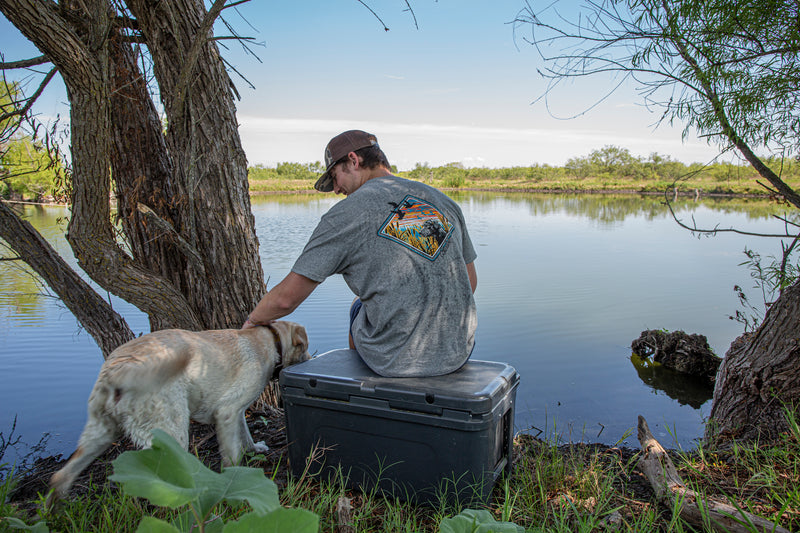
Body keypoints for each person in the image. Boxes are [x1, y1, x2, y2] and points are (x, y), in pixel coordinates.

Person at [242, 130, 477, 377]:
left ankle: (365, 391)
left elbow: (285, 300)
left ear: (353, 160)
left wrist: (253, 322)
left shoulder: (347, 214)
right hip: (458, 352)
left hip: (395, 360)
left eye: (335, 176)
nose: (335, 189)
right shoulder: (439, 200)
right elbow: (468, 284)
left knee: (357, 308)